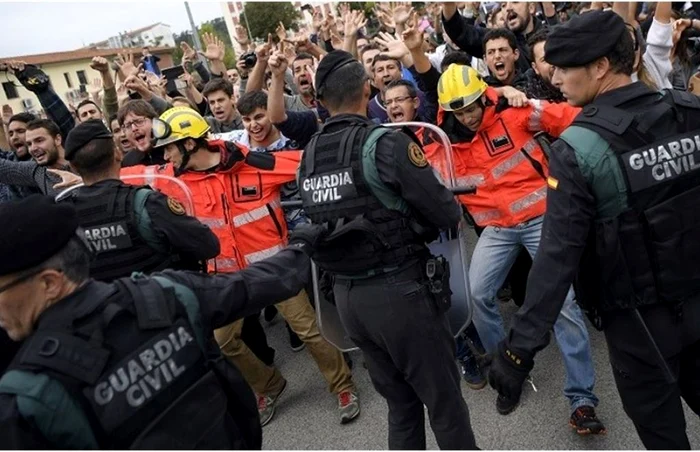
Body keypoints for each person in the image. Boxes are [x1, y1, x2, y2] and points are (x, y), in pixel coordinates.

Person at [487, 10, 700, 449]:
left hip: (640, 328)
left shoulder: (579, 149)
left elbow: (554, 260)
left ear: (601, 67)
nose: (557, 77)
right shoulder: (690, 114)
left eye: (567, 67)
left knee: (665, 437)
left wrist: (517, 352)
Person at [0, 194, 326, 448]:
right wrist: (303, 243)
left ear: (49, 283)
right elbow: (259, 282)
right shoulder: (167, 293)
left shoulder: (28, 397)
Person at [123, 107, 361, 427]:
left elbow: (308, 160)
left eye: (169, 147)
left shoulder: (254, 164)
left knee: (310, 332)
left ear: (190, 144)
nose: (163, 154)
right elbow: (119, 180)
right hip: (225, 278)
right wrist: (73, 179)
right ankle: (269, 385)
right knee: (222, 342)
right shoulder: (172, 180)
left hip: (274, 269)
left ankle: (342, 385)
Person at [297, 50, 477, 450]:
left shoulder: (308, 156)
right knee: (444, 405)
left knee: (401, 406)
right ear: (368, 90)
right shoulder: (385, 144)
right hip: (401, 294)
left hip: (347, 300)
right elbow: (445, 211)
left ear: (322, 100)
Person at [437, 63, 606, 433]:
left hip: (541, 219)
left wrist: (520, 98)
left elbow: (573, 119)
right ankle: (507, 372)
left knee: (562, 304)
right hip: (497, 230)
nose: (466, 117)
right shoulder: (443, 145)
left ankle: (582, 399)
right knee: (477, 295)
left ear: (484, 96)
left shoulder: (516, 112)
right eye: (457, 112)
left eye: (471, 107)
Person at [60, 119, 220, 280]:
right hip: (158, 300)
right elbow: (208, 246)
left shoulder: (62, 217)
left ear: (73, 167)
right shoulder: (146, 203)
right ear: (117, 154)